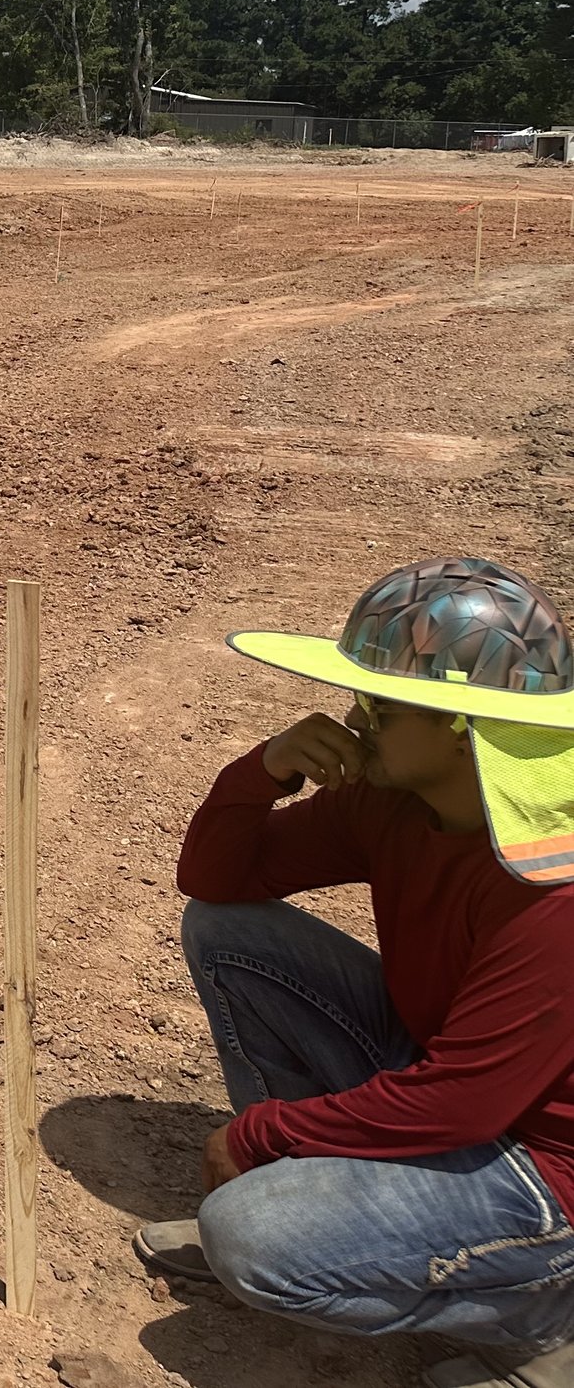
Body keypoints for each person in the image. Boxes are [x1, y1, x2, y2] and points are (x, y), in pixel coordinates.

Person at [137, 557, 574, 1387]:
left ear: (455, 721)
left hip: (546, 1170)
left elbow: (464, 1099)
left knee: (251, 1240)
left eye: (377, 703)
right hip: (452, 1085)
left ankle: (547, 1312)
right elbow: (220, 880)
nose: (353, 717)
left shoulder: (553, 882)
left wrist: (262, 1135)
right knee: (229, 933)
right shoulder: (402, 800)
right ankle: (333, 1206)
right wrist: (262, 769)